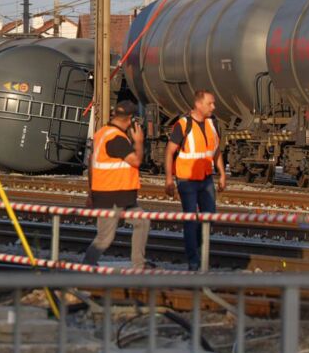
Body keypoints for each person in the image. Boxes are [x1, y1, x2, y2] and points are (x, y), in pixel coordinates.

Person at [82, 101, 151, 269]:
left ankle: (139, 263)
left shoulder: (102, 133)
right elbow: (136, 161)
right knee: (105, 238)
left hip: (120, 195)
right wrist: (139, 141)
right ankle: (87, 266)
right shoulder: (117, 138)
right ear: (130, 119)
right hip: (112, 195)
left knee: (142, 221)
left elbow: (91, 164)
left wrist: (90, 192)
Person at [164, 90, 226, 271]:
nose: (213, 107)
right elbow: (169, 151)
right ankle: (194, 260)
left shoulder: (212, 123)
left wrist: (222, 174)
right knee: (190, 219)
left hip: (206, 178)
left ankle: (197, 249)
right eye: (210, 103)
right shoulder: (183, 125)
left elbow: (215, 151)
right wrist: (169, 179)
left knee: (209, 216)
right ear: (198, 104)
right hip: (187, 180)